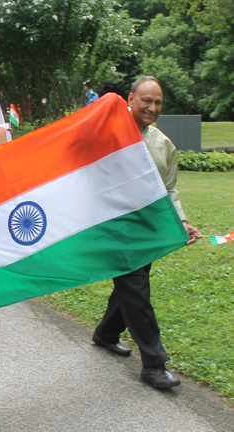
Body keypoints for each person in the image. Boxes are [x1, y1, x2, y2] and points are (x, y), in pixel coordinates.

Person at [92, 76, 201, 389]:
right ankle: (154, 365)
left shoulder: (163, 144)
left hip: (145, 229)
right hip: (113, 227)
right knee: (137, 289)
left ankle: (106, 334)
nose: (152, 108)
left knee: (131, 287)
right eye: (146, 101)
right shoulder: (106, 132)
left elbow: (168, 189)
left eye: (158, 103)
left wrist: (179, 220)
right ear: (130, 98)